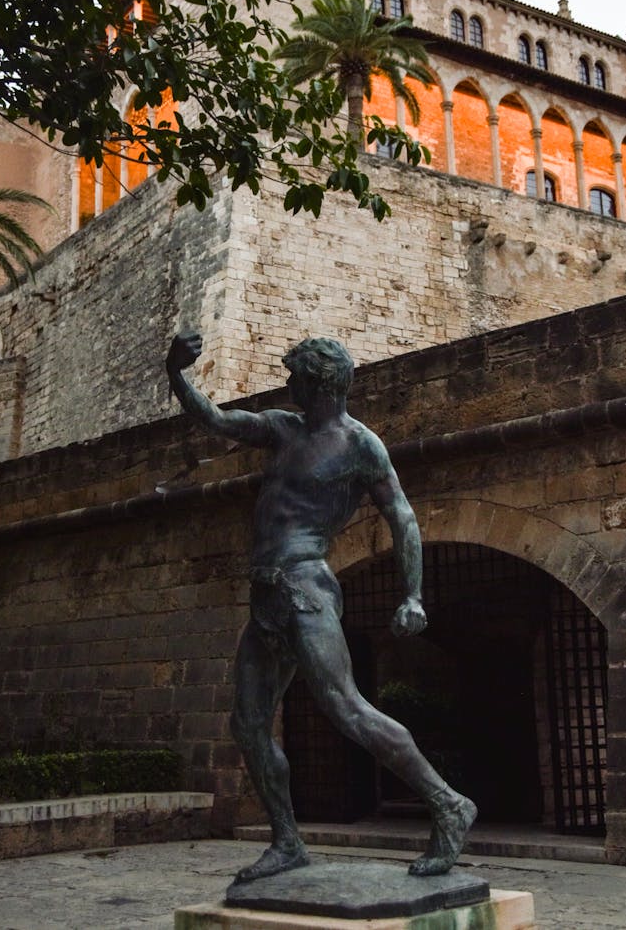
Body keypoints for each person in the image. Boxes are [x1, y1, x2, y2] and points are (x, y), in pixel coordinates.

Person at [166, 333, 476, 884]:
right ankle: (287, 842)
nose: (288, 386)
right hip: (266, 592)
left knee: (345, 707)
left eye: (297, 379)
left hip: (305, 584)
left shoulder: (361, 445)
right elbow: (216, 419)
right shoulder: (282, 428)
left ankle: (448, 803)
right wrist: (177, 374)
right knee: (249, 724)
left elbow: (401, 516)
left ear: (321, 383)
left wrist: (412, 594)